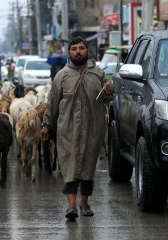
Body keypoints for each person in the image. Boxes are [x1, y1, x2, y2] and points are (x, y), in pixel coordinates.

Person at [40, 36, 116, 220]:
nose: (78, 51)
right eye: (74, 49)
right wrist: (46, 125)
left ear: (87, 51)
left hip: (93, 129)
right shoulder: (62, 76)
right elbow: (53, 103)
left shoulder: (98, 74)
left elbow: (107, 98)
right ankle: (71, 207)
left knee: (88, 166)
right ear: (69, 53)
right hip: (67, 130)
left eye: (81, 48)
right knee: (70, 166)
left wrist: (108, 92)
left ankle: (85, 204)